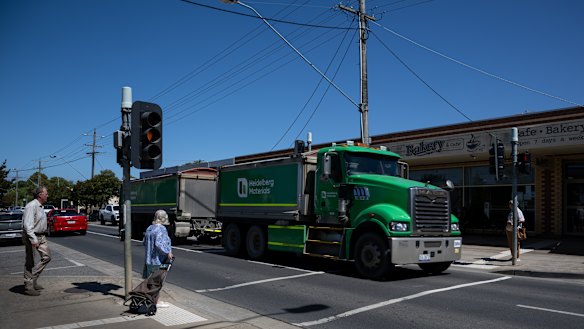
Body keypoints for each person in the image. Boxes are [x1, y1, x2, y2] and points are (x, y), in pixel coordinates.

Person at [22, 186, 52, 296]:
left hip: (41, 236)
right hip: (31, 236)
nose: (47, 195)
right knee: (30, 261)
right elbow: (27, 225)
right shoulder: (31, 206)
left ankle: (33, 278)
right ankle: (28, 286)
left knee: (47, 257)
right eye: (46, 193)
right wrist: (33, 239)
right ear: (40, 195)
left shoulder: (40, 206)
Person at [143, 209, 173, 308]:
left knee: (150, 281)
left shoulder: (149, 228)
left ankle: (151, 299)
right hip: (158, 259)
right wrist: (168, 252)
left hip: (148, 259)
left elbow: (144, 242)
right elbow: (159, 244)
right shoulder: (161, 229)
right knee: (157, 282)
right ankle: (156, 301)